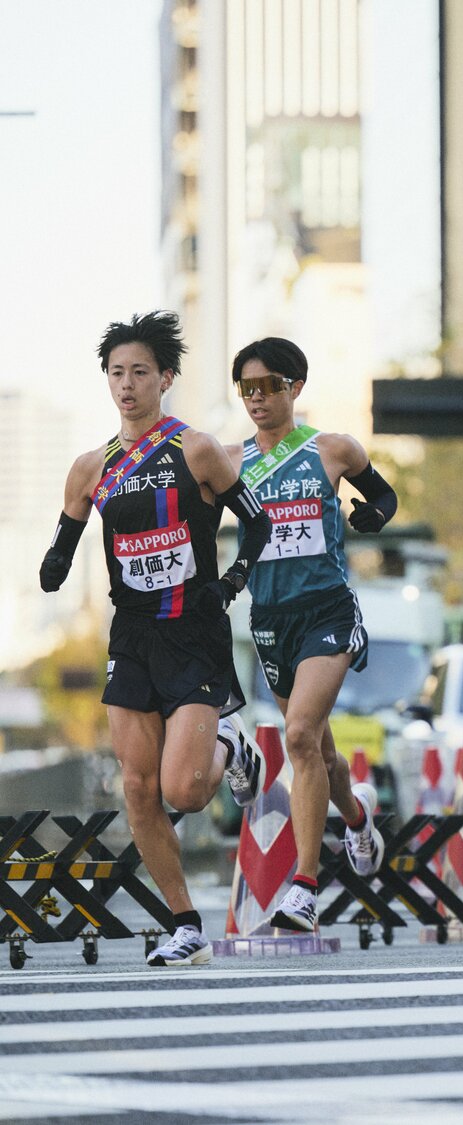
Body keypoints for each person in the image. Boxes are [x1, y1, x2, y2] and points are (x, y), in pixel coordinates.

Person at [39, 311, 271, 966]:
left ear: (165, 377)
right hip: (133, 635)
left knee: (185, 791)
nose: (127, 383)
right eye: (117, 372)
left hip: (193, 630)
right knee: (138, 787)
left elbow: (257, 527)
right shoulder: (91, 466)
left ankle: (232, 744)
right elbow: (63, 547)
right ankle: (186, 922)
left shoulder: (195, 449)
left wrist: (232, 581)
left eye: (140, 371)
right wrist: (52, 567)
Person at [225, 337, 395, 932]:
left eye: (269, 385)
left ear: (295, 387)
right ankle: (356, 818)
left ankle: (303, 889)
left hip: (327, 610)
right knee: (318, 750)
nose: (257, 398)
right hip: (271, 620)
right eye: (247, 388)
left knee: (297, 737)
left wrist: (373, 515)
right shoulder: (230, 462)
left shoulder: (333, 449)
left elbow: (384, 495)